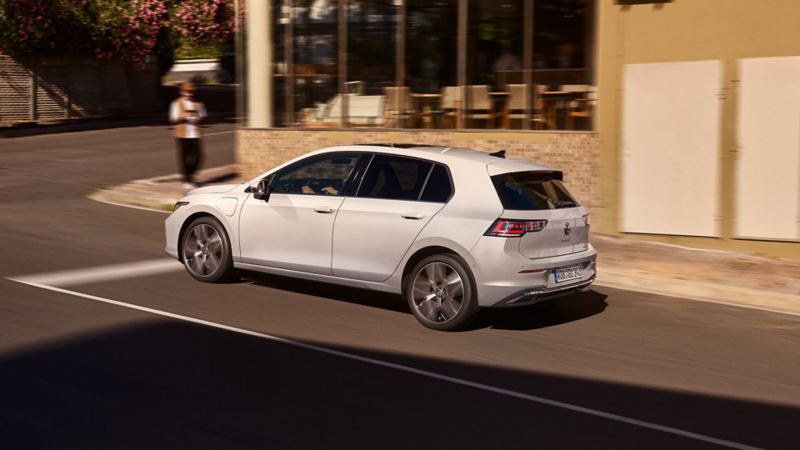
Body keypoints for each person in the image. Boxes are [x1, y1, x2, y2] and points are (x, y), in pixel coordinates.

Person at [170, 82, 207, 188]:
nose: (189, 93)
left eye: (191, 91)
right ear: (182, 92)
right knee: (184, 157)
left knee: (199, 156)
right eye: (187, 91)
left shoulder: (199, 103)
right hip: (182, 134)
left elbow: (203, 116)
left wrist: (198, 118)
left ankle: (191, 174)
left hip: (195, 133)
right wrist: (183, 116)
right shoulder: (176, 103)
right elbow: (173, 118)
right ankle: (186, 179)